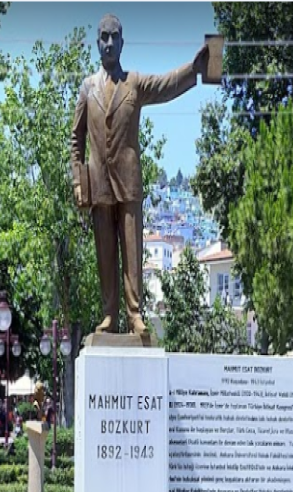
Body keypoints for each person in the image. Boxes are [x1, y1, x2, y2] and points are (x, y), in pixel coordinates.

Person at [71, 13, 209, 335]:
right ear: (97, 43)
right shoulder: (87, 88)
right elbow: (76, 139)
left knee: (132, 252)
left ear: (122, 43)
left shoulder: (134, 83)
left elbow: (165, 85)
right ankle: (109, 314)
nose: (108, 43)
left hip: (129, 183)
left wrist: (194, 69)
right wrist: (78, 180)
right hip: (98, 184)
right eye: (103, 37)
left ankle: (135, 314)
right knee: (105, 253)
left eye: (114, 37)